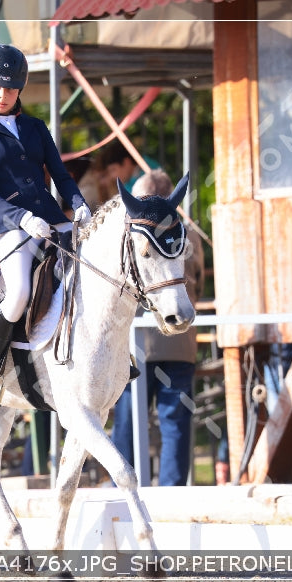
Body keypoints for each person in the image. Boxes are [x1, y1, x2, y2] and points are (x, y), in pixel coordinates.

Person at [0, 43, 91, 410]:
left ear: (20, 88)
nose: (3, 94)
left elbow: (61, 175)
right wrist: (21, 218)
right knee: (17, 292)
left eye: (10, 88)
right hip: (11, 227)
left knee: (93, 273)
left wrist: (79, 204)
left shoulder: (35, 127)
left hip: (51, 219)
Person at [109, 169, 205, 486]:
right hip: (179, 342)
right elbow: (199, 284)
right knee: (175, 422)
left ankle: (124, 489)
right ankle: (171, 492)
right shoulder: (187, 233)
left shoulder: (135, 232)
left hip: (136, 345)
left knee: (128, 423)